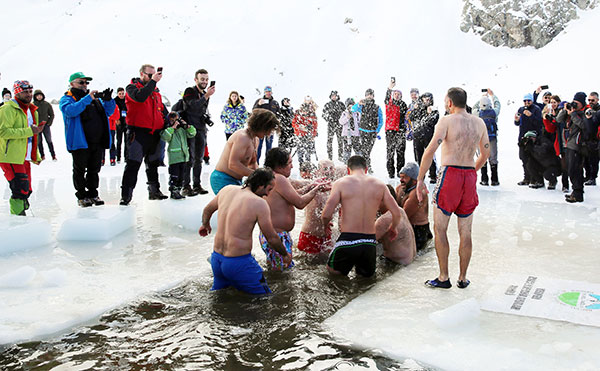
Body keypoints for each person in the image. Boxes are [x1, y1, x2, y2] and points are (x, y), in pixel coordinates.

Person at [416, 87, 489, 289]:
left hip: (450, 175)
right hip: (468, 176)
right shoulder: (479, 122)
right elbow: (485, 154)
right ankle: (463, 278)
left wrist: (420, 179)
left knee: (440, 229)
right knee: (466, 232)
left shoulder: (447, 121)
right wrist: (471, 171)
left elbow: (430, 150)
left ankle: (443, 276)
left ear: (449, 102)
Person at [199, 168, 291, 295]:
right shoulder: (259, 203)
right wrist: (284, 254)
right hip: (239, 263)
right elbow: (271, 238)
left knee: (220, 296)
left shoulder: (227, 190)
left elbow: (207, 209)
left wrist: (205, 224)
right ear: (260, 186)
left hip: (217, 260)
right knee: (265, 300)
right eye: (269, 189)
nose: (268, 195)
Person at [322, 155, 401, 277]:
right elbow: (396, 213)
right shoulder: (380, 185)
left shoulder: (340, 183)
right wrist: (393, 228)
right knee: (365, 281)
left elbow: (326, 215)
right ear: (366, 169)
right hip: (369, 242)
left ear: (348, 170)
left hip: (348, 240)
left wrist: (325, 227)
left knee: (332, 275)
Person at [262, 148, 327, 269]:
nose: (292, 167)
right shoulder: (279, 179)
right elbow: (300, 203)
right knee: (283, 273)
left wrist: (311, 186)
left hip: (272, 235)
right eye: (289, 163)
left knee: (277, 271)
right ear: (280, 166)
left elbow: (292, 196)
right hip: (277, 236)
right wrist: (316, 190)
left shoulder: (270, 177)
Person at [60, 72, 115, 207]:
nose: (84, 85)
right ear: (72, 84)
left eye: (86, 83)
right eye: (81, 82)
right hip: (80, 141)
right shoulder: (67, 98)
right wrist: (87, 99)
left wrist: (108, 100)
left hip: (96, 141)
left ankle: (93, 194)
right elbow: (70, 111)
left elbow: (109, 111)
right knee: (79, 170)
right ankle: (81, 195)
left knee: (94, 170)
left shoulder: (94, 99)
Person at [120, 64, 167, 205]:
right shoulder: (132, 88)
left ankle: (154, 191)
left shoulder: (155, 92)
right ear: (142, 74)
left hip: (154, 133)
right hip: (138, 133)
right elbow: (140, 98)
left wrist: (169, 119)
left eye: (154, 75)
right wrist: (153, 82)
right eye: (149, 75)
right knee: (133, 165)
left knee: (152, 164)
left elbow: (161, 110)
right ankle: (126, 196)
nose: (152, 77)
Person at [0, 80, 45, 215]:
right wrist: (29, 131)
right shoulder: (7, 109)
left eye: (30, 91)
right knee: (20, 188)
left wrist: (34, 155)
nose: (29, 94)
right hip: (10, 156)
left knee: (27, 189)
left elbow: (33, 136)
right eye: (25, 92)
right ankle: (17, 219)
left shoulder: (31, 110)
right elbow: (3, 132)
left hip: (24, 156)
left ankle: (22, 215)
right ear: (17, 92)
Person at [210, 108, 279, 195]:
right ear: (261, 126)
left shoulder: (255, 139)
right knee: (234, 206)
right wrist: (258, 175)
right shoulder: (242, 137)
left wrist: (265, 175)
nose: (268, 134)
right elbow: (233, 164)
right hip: (222, 178)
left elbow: (253, 164)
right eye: (268, 130)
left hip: (237, 180)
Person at [180, 68, 215, 196]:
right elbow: (193, 106)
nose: (205, 82)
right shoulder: (190, 91)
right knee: (189, 158)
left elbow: (201, 109)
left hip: (201, 129)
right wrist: (206, 96)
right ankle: (185, 185)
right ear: (196, 80)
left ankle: (196, 184)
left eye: (206, 79)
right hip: (189, 129)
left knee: (199, 159)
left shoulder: (204, 94)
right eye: (202, 79)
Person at [297, 160, 336, 254]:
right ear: (317, 172)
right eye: (325, 169)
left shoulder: (336, 188)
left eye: (331, 168)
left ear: (335, 170)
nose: (328, 171)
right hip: (310, 235)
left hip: (327, 238)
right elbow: (293, 191)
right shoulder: (310, 184)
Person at [557, 92, 588, 203]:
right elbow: (558, 120)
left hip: (578, 145)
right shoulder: (571, 112)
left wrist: (573, 114)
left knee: (575, 170)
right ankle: (576, 192)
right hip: (569, 144)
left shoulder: (585, 113)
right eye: (573, 102)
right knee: (571, 169)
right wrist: (565, 110)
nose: (574, 105)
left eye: (577, 103)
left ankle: (578, 193)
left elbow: (584, 125)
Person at [395, 162, 433, 251]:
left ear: (414, 181)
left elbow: (404, 216)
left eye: (404, 177)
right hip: (408, 227)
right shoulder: (400, 188)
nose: (401, 180)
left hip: (419, 231)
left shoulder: (418, 193)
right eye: (401, 177)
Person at [375, 185, 416, 265]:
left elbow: (366, 241)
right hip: (409, 260)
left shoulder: (384, 220)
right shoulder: (400, 211)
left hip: (396, 265)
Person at [161, 111, 196, 199]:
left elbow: (192, 133)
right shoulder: (169, 130)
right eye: (172, 120)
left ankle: (179, 189)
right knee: (174, 175)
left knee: (182, 176)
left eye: (176, 120)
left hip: (184, 157)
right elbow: (165, 137)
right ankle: (173, 190)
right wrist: (172, 127)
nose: (175, 122)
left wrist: (187, 126)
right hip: (174, 157)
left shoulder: (182, 130)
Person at [472, 90, 501, 185]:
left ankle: (484, 179)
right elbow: (498, 105)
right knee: (493, 158)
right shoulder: (494, 112)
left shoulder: (477, 113)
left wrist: (481, 97)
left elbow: (474, 107)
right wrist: (493, 96)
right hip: (492, 138)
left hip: (481, 139)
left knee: (482, 157)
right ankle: (495, 179)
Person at [410, 92, 439, 183]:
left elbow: (433, 121)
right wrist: (415, 109)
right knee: (418, 156)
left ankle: (433, 175)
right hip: (417, 136)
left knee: (430, 155)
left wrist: (430, 113)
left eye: (429, 98)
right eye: (425, 98)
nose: (427, 100)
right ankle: (421, 175)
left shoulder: (434, 110)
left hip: (428, 136)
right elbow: (411, 117)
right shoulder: (418, 108)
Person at [514, 93, 543, 186]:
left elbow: (539, 123)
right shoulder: (521, 109)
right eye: (525, 101)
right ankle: (527, 178)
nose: (526, 102)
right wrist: (516, 120)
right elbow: (517, 123)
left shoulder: (537, 109)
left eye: (528, 101)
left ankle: (536, 179)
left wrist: (531, 116)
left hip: (533, 138)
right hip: (523, 137)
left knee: (533, 159)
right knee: (523, 158)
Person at [352, 89, 383, 172]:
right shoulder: (362, 106)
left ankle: (365, 167)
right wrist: (358, 103)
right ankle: (367, 168)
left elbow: (381, 120)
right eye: (367, 94)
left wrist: (377, 130)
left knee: (367, 151)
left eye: (371, 94)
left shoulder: (377, 107)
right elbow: (353, 109)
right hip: (362, 131)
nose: (369, 96)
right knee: (364, 151)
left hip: (372, 133)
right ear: (365, 96)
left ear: (373, 96)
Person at [543, 95, 569, 192]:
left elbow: (557, 124)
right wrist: (546, 119)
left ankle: (566, 185)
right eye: (551, 102)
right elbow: (550, 129)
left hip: (563, 142)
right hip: (554, 143)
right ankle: (555, 181)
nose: (553, 104)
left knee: (565, 165)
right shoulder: (548, 112)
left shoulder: (562, 113)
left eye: (555, 102)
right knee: (557, 164)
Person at [384, 82, 408, 178]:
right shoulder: (389, 103)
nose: (397, 96)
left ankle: (400, 171)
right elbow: (386, 98)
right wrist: (389, 88)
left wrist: (406, 129)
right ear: (392, 95)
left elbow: (407, 117)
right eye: (395, 94)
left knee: (401, 152)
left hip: (401, 130)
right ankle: (391, 172)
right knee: (390, 152)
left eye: (399, 94)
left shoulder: (403, 105)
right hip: (390, 130)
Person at [253, 86, 280, 164]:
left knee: (269, 147)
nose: (268, 93)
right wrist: (258, 104)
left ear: (271, 92)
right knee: (258, 147)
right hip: (260, 128)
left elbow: (278, 114)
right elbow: (254, 111)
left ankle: (267, 165)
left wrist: (276, 125)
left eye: (269, 92)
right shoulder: (259, 101)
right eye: (266, 92)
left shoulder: (275, 103)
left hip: (270, 128)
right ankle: (256, 164)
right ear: (264, 92)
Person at [292, 98, 319, 165]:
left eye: (306, 111)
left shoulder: (311, 115)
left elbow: (315, 126)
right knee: (300, 149)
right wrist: (300, 127)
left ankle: (307, 162)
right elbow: (294, 123)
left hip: (308, 135)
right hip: (299, 134)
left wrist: (313, 134)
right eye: (304, 111)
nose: (305, 112)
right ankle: (300, 162)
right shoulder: (297, 114)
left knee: (308, 150)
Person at [33, 89, 56, 161]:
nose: (39, 97)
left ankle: (53, 155)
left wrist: (49, 123)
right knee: (39, 142)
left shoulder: (47, 104)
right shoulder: (32, 105)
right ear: (35, 97)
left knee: (49, 140)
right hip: (37, 126)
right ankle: (42, 155)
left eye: (40, 95)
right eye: (37, 96)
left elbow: (51, 115)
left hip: (45, 125)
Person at [322, 90, 346, 161]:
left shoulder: (341, 104)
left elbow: (345, 113)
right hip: (331, 125)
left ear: (337, 96)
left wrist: (341, 120)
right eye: (332, 96)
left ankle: (340, 156)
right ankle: (330, 156)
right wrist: (328, 118)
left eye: (335, 95)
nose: (334, 97)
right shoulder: (327, 105)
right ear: (330, 96)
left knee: (340, 141)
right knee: (329, 141)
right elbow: (324, 114)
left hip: (340, 125)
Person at [583, 92, 600, 186]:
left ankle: (593, 177)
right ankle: (588, 176)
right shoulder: (586, 109)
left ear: (597, 100)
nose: (590, 102)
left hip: (595, 139)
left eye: (592, 100)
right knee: (586, 160)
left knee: (594, 160)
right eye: (589, 100)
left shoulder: (598, 111)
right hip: (586, 138)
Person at [339, 98, 361, 162]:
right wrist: (347, 117)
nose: (350, 107)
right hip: (347, 135)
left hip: (355, 134)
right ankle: (346, 163)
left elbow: (359, 122)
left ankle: (359, 163)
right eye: (349, 105)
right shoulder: (344, 113)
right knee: (347, 150)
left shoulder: (357, 113)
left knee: (358, 149)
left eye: (352, 105)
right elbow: (341, 122)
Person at [114, 87, 127, 163]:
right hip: (119, 122)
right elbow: (113, 111)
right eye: (120, 94)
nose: (121, 95)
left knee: (126, 141)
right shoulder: (115, 101)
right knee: (119, 141)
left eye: (122, 93)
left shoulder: (126, 100)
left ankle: (126, 157)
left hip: (126, 122)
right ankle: (118, 157)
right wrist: (116, 119)